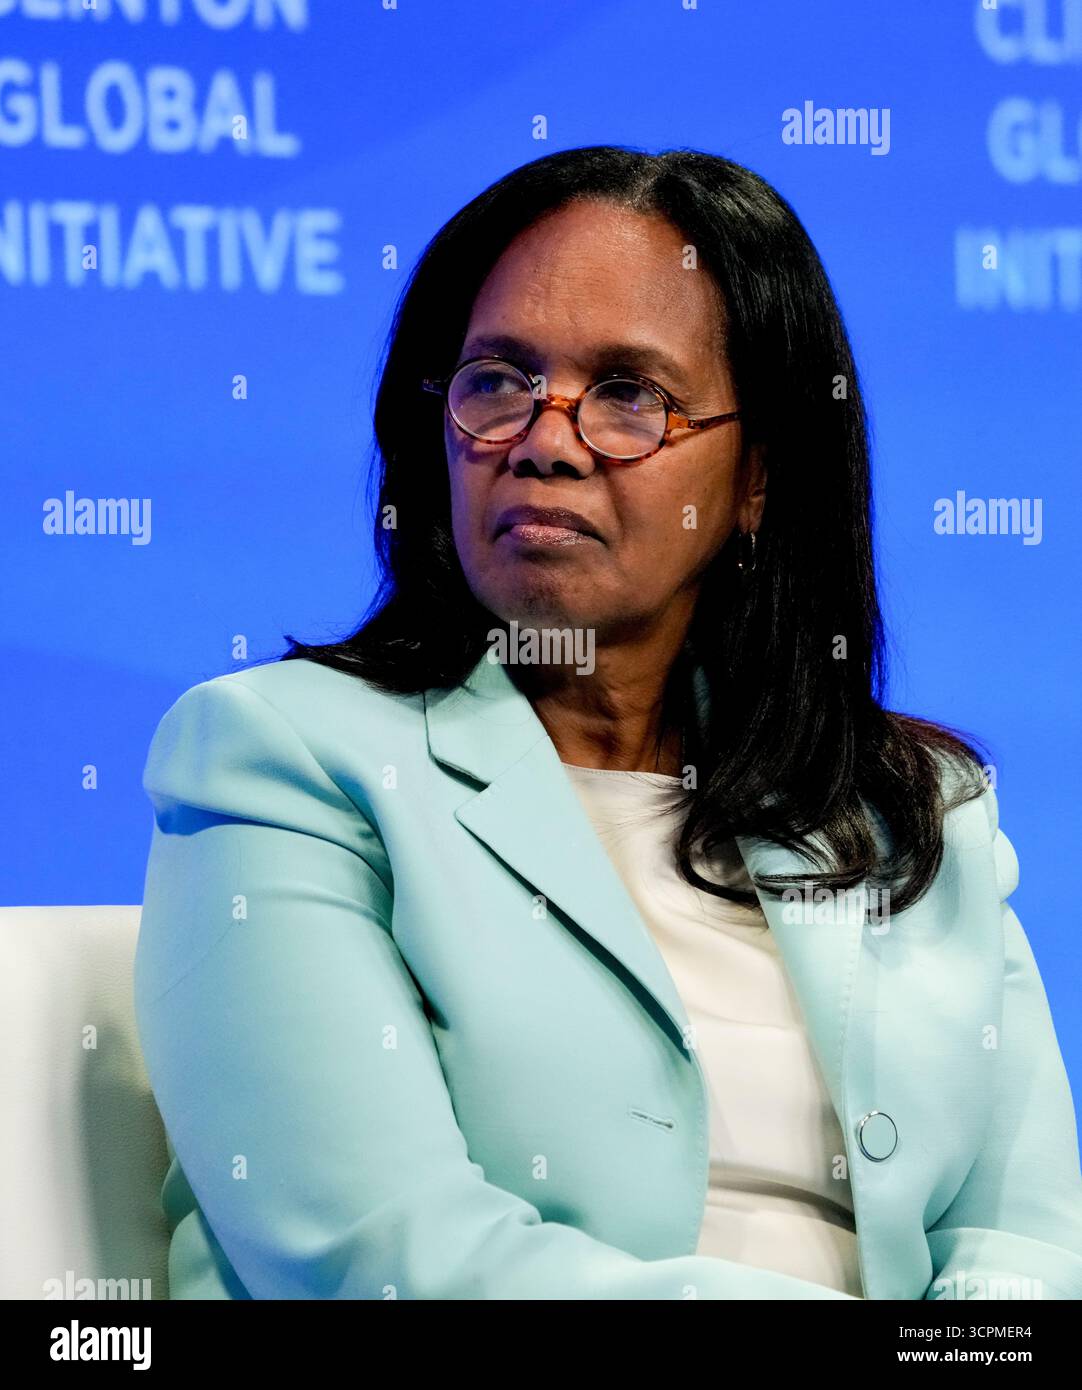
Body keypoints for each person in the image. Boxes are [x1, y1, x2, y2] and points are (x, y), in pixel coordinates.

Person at [134, 145, 1082, 1300]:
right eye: (496, 380)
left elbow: (1024, 1249)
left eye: (629, 394)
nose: (545, 437)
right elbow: (389, 1258)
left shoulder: (906, 808)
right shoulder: (283, 760)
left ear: (754, 481)